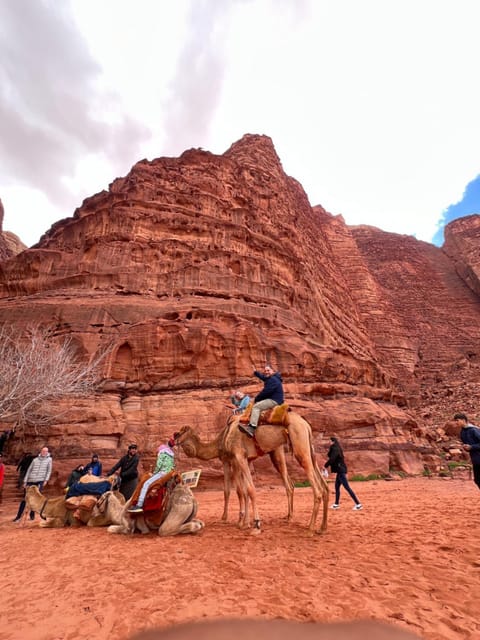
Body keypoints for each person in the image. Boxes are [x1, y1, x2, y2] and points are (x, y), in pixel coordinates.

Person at [128, 438, 176, 513]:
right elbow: (173, 466)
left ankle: (139, 505)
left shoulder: (162, 452)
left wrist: (154, 473)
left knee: (146, 484)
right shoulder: (171, 454)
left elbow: (159, 465)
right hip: (169, 473)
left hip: (162, 473)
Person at [239, 364, 284, 438]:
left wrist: (256, 399)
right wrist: (255, 372)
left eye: (268, 370)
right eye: (265, 371)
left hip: (274, 400)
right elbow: (263, 378)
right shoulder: (272, 378)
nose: (266, 372)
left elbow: (266, 392)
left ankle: (252, 428)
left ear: (273, 371)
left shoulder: (273, 380)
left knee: (256, 407)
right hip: (275, 398)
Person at [13, 446, 52, 522]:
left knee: (36, 498)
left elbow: (49, 471)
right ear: (41, 451)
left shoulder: (49, 460)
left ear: (47, 452)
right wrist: (25, 481)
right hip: (31, 480)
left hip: (40, 480)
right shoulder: (35, 460)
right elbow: (29, 470)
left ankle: (32, 516)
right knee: (25, 498)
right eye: (43, 451)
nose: (44, 452)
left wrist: (46, 480)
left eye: (46, 451)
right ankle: (18, 516)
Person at [324, 436, 362, 511]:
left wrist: (325, 466)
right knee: (337, 488)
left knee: (347, 488)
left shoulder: (335, 449)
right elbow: (330, 456)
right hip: (339, 471)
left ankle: (358, 504)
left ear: (333, 441)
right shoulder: (336, 448)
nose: (329, 443)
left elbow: (332, 458)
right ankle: (336, 504)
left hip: (341, 471)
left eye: (330, 441)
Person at [453, 412, 480, 490]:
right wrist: (466, 447)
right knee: (477, 480)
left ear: (463, 420)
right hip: (475, 459)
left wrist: (472, 447)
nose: (456, 422)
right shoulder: (462, 432)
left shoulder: (474, 430)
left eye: (457, 420)